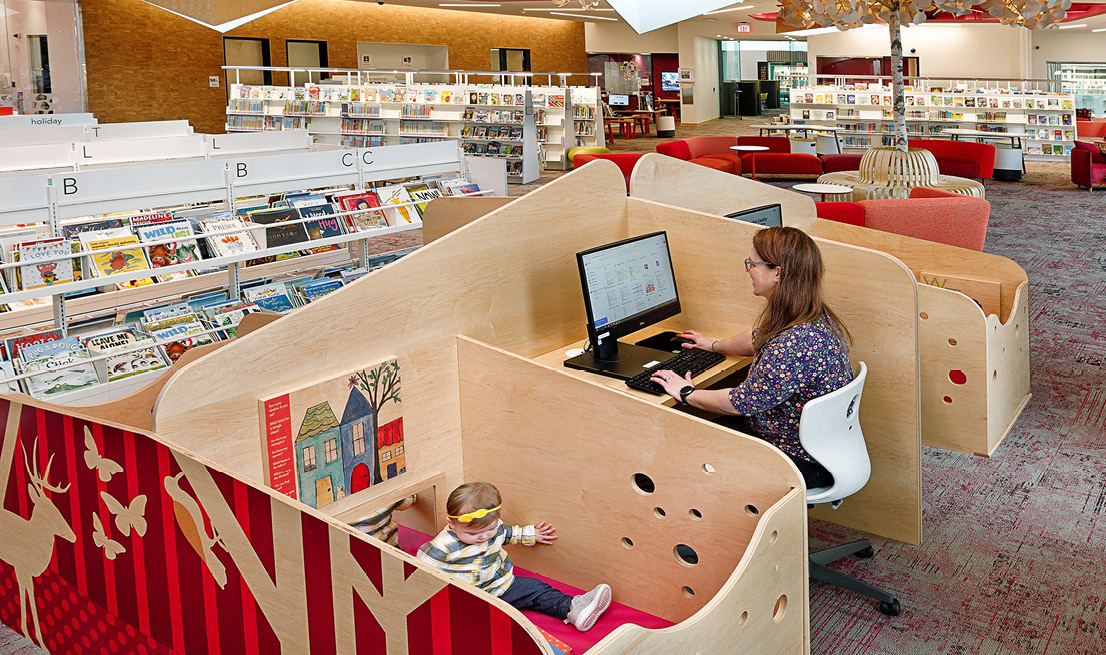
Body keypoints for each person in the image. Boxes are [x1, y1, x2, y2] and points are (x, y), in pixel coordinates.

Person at [649, 226, 853, 488]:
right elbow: (757, 338)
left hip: (800, 458)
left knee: (687, 446)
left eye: (752, 264)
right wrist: (712, 345)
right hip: (813, 442)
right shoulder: (811, 315)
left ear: (777, 273)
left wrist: (687, 392)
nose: (748, 271)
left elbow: (740, 403)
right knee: (703, 430)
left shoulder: (794, 343)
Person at [417, 482, 612, 632]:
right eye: (474, 535)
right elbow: (419, 569)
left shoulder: (497, 528)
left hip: (503, 585)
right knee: (464, 619)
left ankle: (573, 609)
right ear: (452, 523)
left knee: (537, 589)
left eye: (490, 529)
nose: (484, 537)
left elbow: (509, 534)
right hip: (471, 598)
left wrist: (532, 534)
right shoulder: (443, 546)